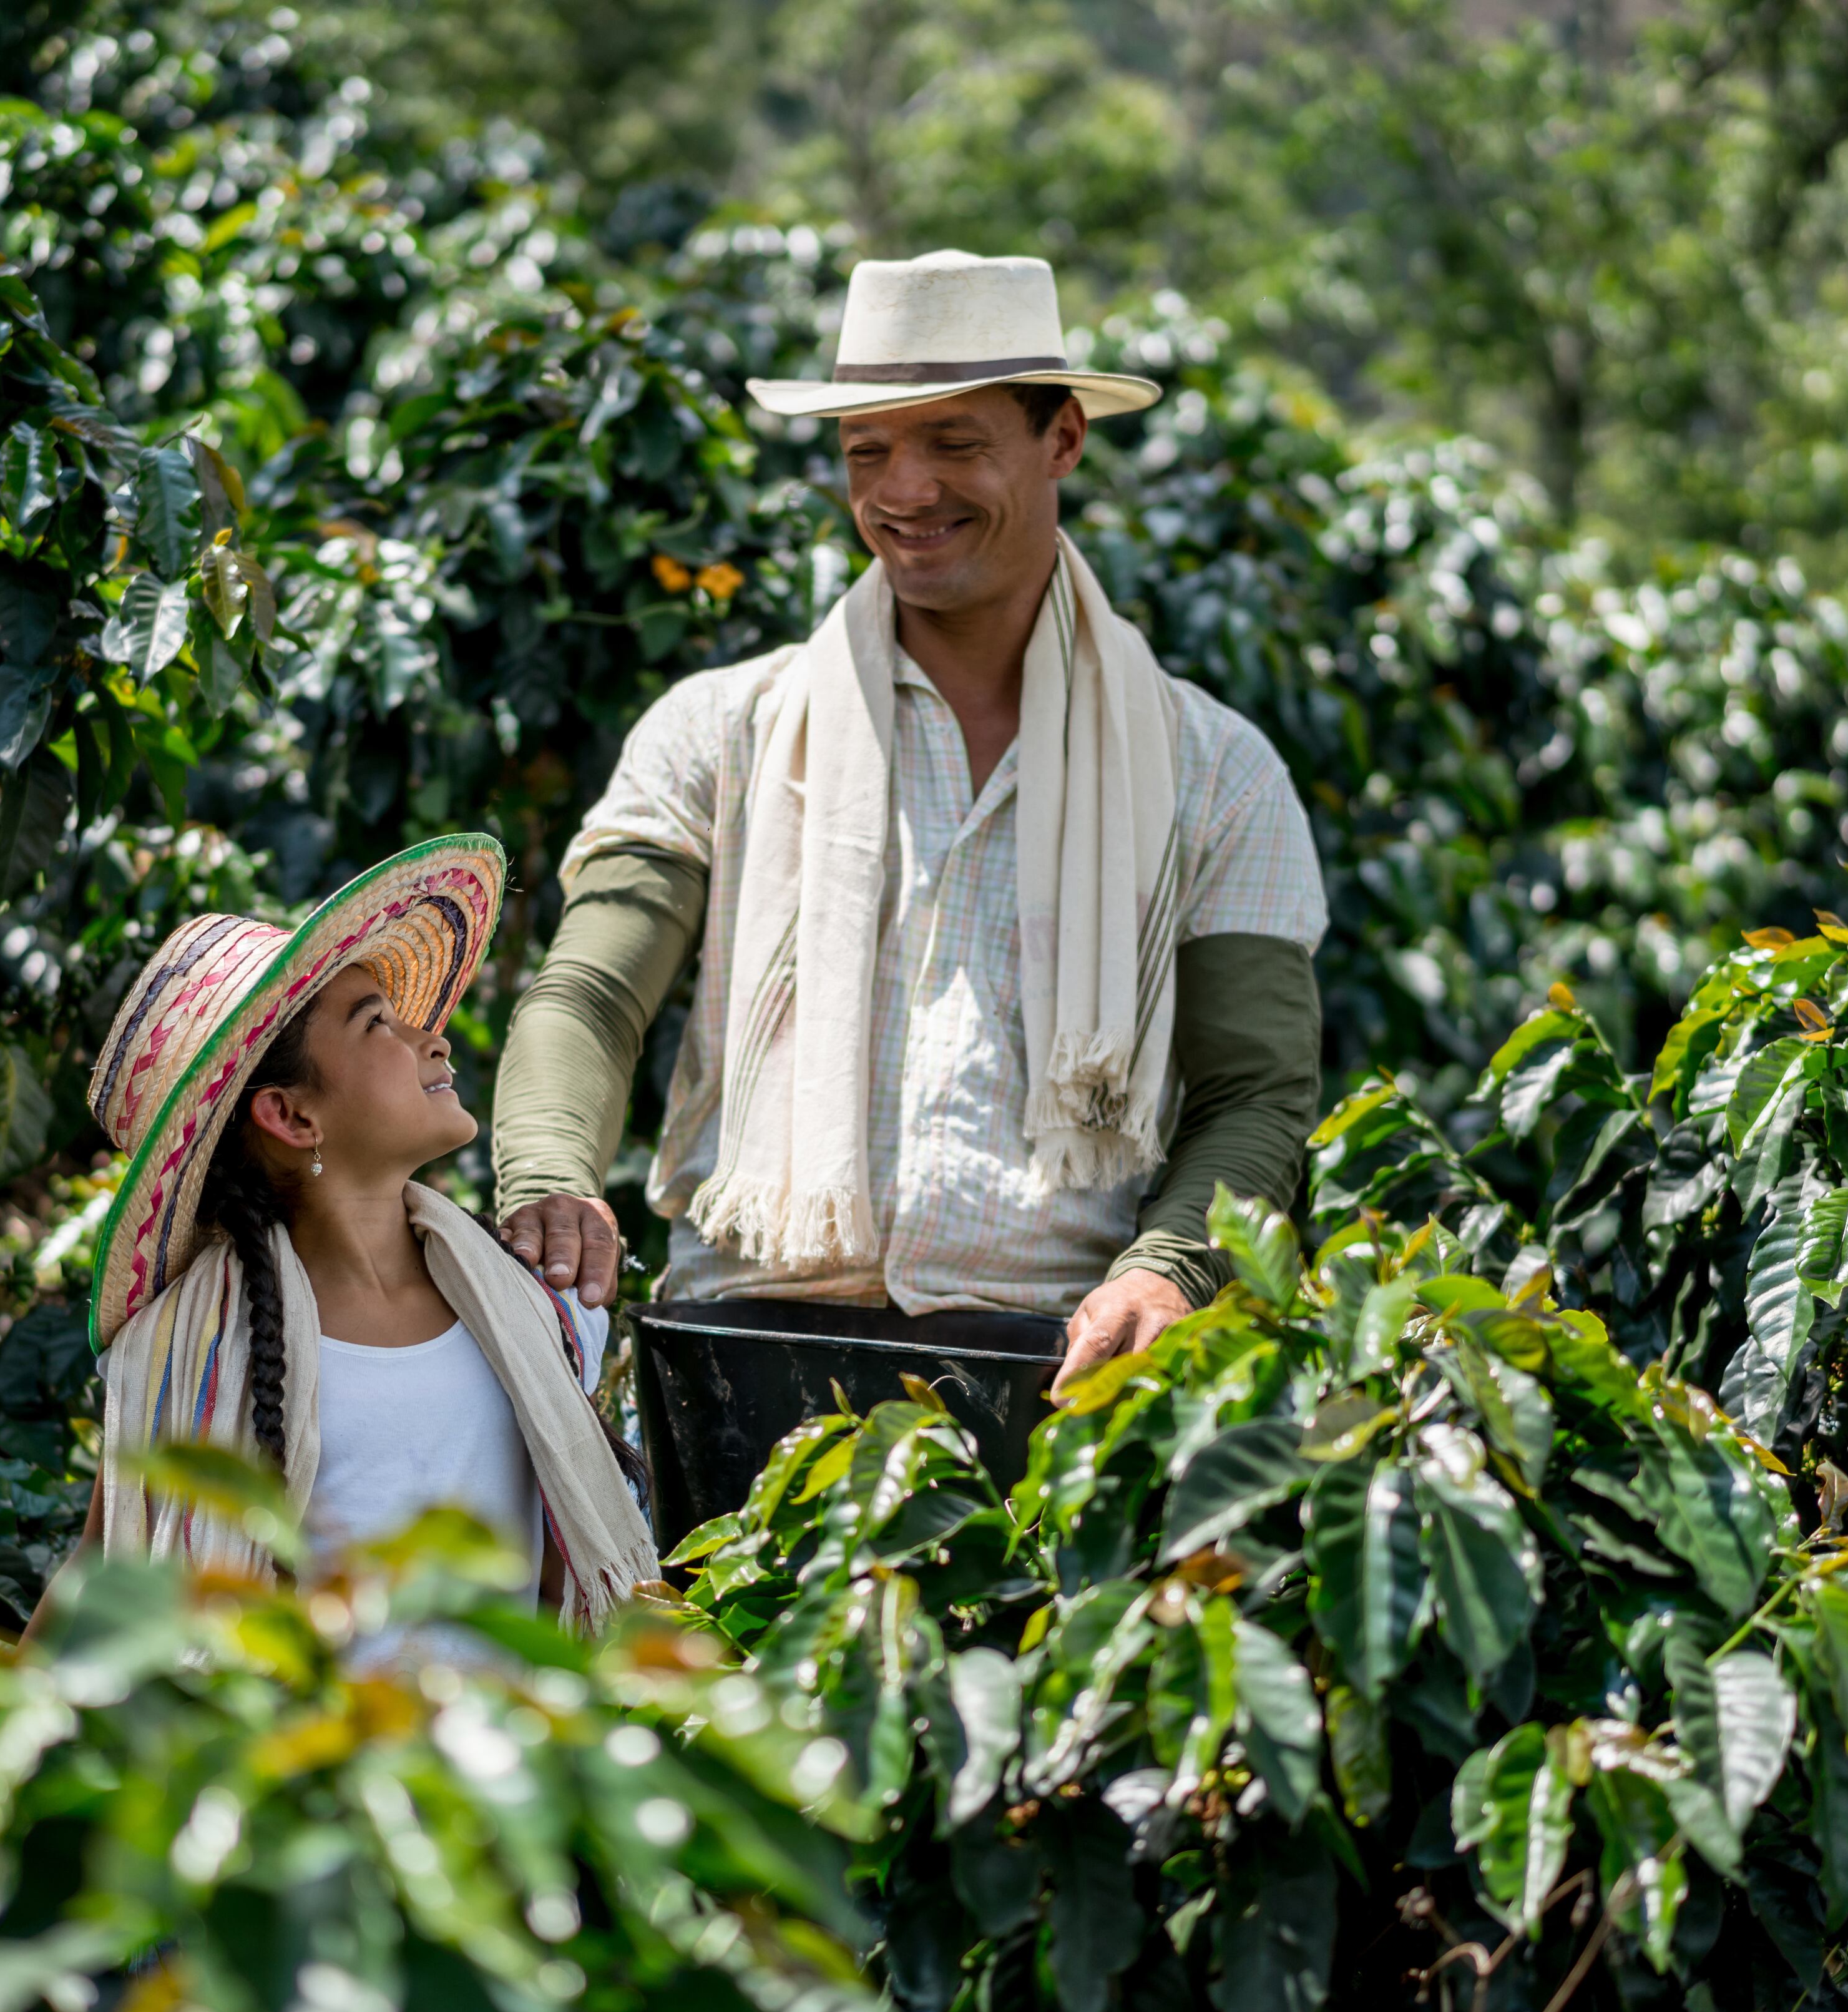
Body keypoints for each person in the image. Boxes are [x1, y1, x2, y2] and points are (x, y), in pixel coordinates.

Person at [492, 250, 1326, 1385]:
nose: (905, 491)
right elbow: (590, 994)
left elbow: (1254, 1087)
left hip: (1056, 1360)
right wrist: (550, 1176)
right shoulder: (719, 730)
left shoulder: (1214, 770)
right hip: (745, 1345)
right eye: (868, 451)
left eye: (956, 444)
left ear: (1064, 440)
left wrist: (1168, 1268)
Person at [63, 834, 658, 1631]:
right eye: (377, 1021)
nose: (432, 1038)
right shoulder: (189, 1354)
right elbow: (102, 1575)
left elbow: (563, 1582)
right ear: (291, 1114)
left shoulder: (530, 1307)